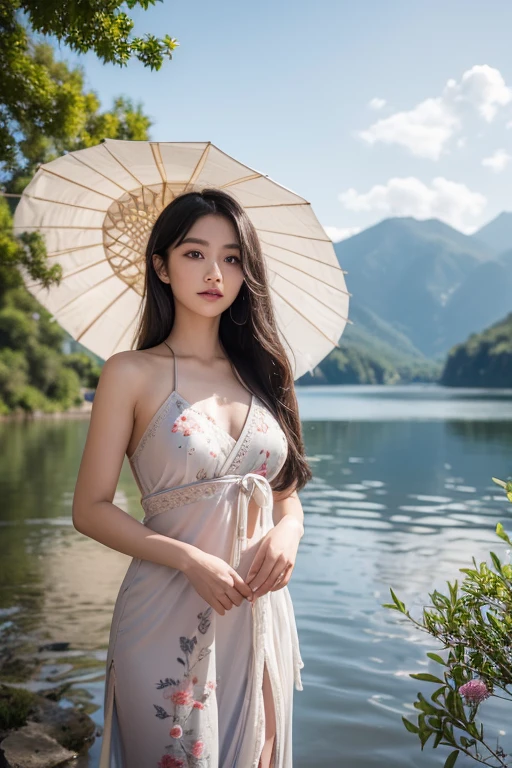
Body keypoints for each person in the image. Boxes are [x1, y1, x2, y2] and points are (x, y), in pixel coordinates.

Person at [72, 188, 311, 768]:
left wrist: (288, 535)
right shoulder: (130, 372)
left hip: (255, 612)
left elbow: (287, 495)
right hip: (166, 608)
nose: (215, 272)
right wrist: (190, 559)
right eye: (194, 253)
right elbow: (91, 508)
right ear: (161, 265)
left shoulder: (268, 371)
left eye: (232, 257)